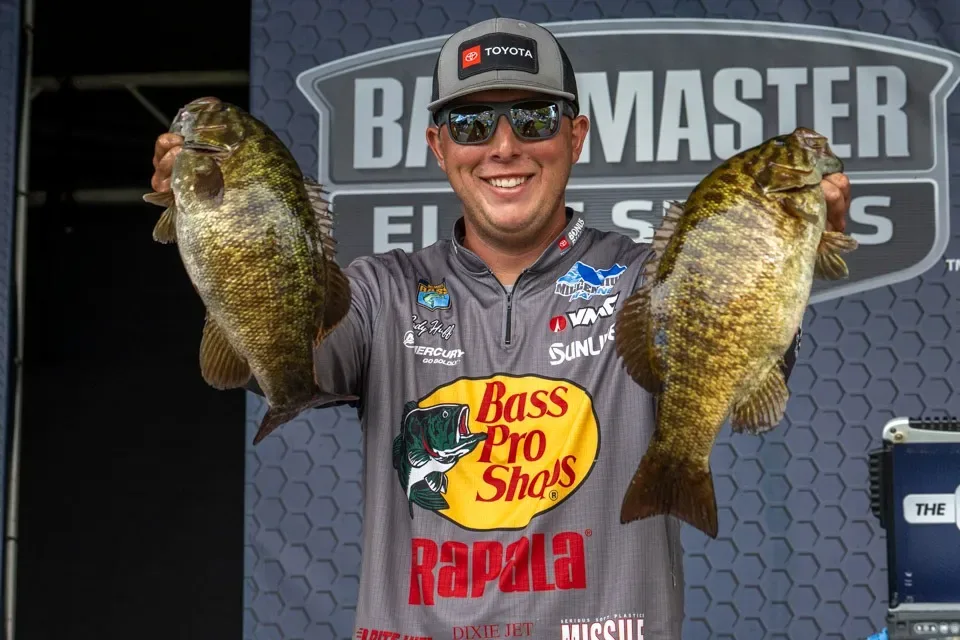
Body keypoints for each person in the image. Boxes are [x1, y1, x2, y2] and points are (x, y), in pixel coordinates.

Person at [150, 17, 851, 640]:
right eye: (471, 124)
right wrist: (213, 224)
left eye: (535, 119)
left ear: (576, 134)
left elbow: (739, 353)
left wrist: (784, 245)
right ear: (439, 146)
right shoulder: (379, 292)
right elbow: (271, 356)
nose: (505, 147)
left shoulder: (653, 279)